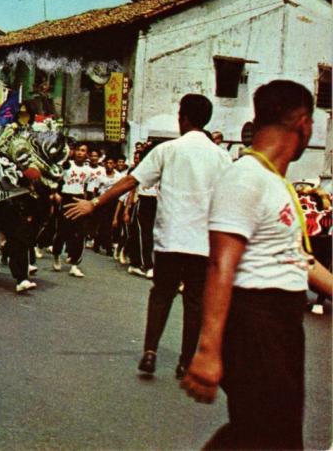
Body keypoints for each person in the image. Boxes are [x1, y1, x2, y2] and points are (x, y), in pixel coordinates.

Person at [181, 80, 333, 450]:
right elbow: (220, 264)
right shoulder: (245, 178)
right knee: (268, 436)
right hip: (254, 323)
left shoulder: (274, 183)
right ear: (304, 125)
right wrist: (207, 350)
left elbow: (296, 257)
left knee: (262, 435)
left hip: (281, 325)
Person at [66, 94, 231, 378]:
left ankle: (151, 352)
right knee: (194, 302)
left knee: (161, 296)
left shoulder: (168, 150)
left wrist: (94, 204)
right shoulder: (222, 157)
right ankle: (185, 361)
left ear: (185, 118)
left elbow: (131, 180)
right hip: (203, 244)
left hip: (170, 239)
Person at [52, 143, 91, 277]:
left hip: (79, 199)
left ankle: (75, 264)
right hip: (65, 198)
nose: (80, 153)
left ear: (87, 154)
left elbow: (87, 189)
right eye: (78, 150)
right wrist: (55, 193)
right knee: (62, 230)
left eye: (83, 151)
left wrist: (88, 203)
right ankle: (56, 254)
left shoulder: (88, 171)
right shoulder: (66, 165)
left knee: (80, 233)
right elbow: (55, 179)